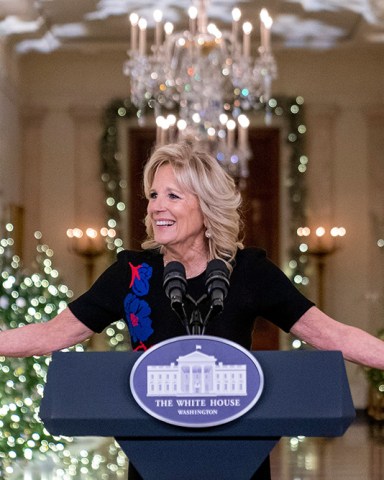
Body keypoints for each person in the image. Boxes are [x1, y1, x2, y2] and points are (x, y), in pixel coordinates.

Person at [1, 142, 384, 479]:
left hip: (237, 450)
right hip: (154, 451)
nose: (156, 207)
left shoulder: (250, 270)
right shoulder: (132, 273)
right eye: (153, 196)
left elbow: (330, 333)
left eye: (173, 196)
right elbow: (54, 332)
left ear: (206, 205)